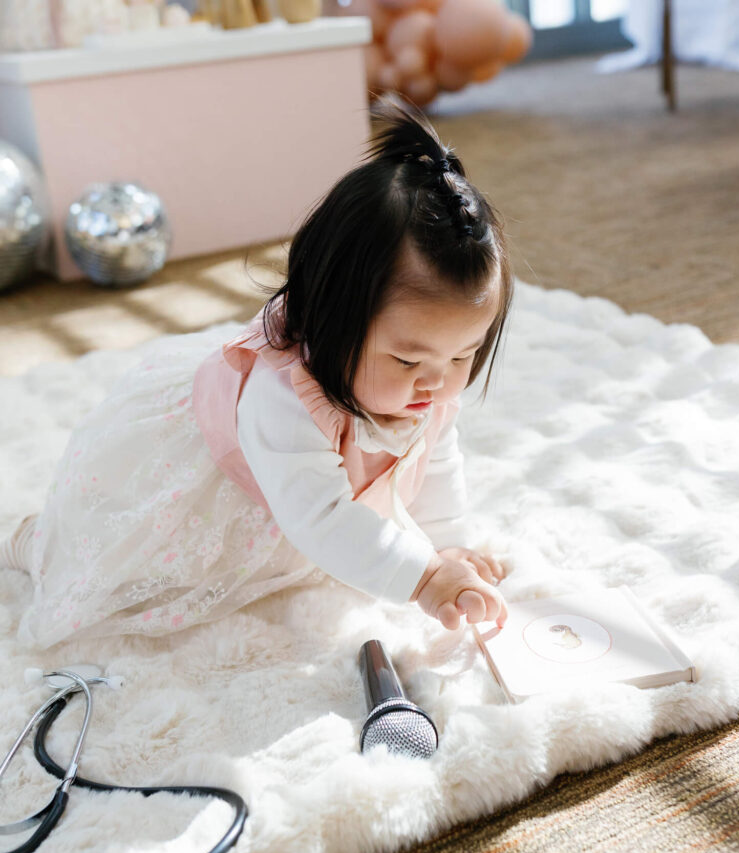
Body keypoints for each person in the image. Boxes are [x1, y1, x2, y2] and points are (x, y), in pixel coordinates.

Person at [1, 95, 513, 649]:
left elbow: (435, 460)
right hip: (207, 481)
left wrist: (448, 546)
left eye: (464, 354)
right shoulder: (283, 397)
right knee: (123, 565)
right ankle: (27, 539)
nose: (437, 382)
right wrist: (425, 578)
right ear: (330, 318)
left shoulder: (426, 385)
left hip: (296, 491)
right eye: (408, 360)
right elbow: (318, 515)